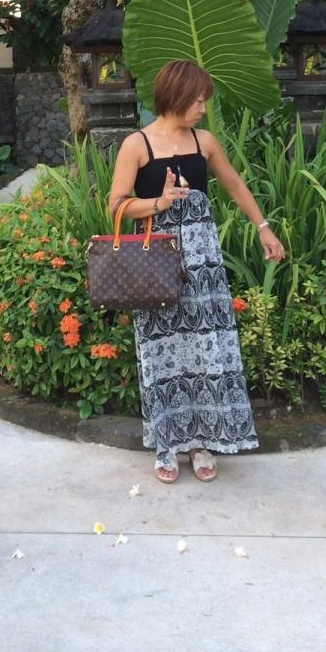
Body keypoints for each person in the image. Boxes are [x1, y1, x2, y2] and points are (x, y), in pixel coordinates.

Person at [108, 58, 285, 485]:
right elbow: (115, 205)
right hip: (156, 265)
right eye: (198, 101)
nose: (203, 108)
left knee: (207, 351)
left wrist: (263, 227)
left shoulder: (204, 142)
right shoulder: (136, 145)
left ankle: (203, 442)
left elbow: (235, 185)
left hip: (204, 267)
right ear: (177, 97)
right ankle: (167, 445)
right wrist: (159, 203)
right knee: (162, 354)